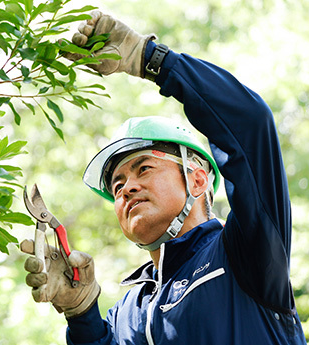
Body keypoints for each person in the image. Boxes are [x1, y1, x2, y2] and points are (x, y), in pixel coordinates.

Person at [20, 11, 306, 344]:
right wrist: (82, 313)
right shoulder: (129, 312)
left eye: (144, 168)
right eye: (117, 185)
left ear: (197, 181)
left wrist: (148, 58)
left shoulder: (246, 253)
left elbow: (249, 123)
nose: (126, 188)